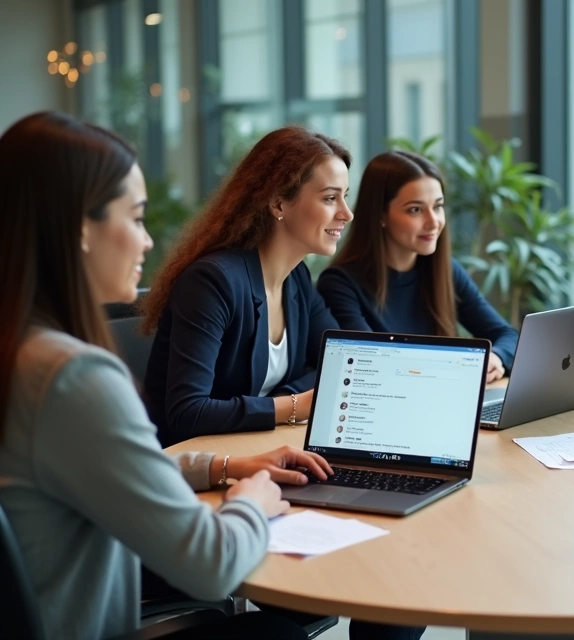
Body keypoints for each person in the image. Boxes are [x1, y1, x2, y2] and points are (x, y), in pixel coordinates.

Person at [0, 111, 339, 640]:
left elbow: (107, 467)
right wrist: (249, 500)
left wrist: (226, 465)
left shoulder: (21, 352)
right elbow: (212, 565)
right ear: (78, 229)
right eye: (135, 219)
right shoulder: (72, 378)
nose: (148, 243)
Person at [141, 126, 348, 447]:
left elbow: (339, 364)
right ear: (278, 204)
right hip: (186, 466)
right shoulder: (212, 282)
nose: (346, 214)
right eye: (330, 198)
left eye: (344, 197)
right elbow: (187, 413)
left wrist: (284, 398)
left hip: (253, 450)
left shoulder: (297, 279)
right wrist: (291, 406)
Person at [317, 150, 518, 383]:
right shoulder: (340, 284)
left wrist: (496, 357)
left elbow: (507, 334)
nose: (434, 222)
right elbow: (371, 366)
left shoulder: (443, 270)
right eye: (415, 209)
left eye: (438, 206)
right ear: (380, 214)